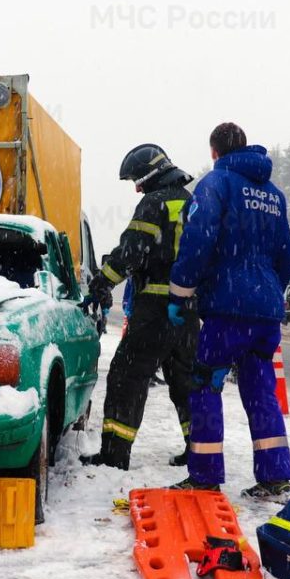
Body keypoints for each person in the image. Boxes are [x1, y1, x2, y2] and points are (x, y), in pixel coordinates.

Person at [167, 122, 290, 498]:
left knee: (205, 383)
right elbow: (286, 255)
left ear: (214, 151)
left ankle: (205, 474)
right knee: (261, 389)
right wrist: (268, 294)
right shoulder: (274, 195)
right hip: (265, 312)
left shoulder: (215, 183)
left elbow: (197, 240)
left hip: (227, 309)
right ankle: (274, 475)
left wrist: (180, 293)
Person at [80, 144, 199, 470]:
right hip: (188, 311)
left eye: (137, 180)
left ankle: (114, 454)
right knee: (186, 383)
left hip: (155, 310)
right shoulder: (192, 202)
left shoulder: (154, 202)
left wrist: (102, 283)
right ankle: (199, 450)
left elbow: (131, 252)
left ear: (150, 174)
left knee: (126, 377)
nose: (136, 188)